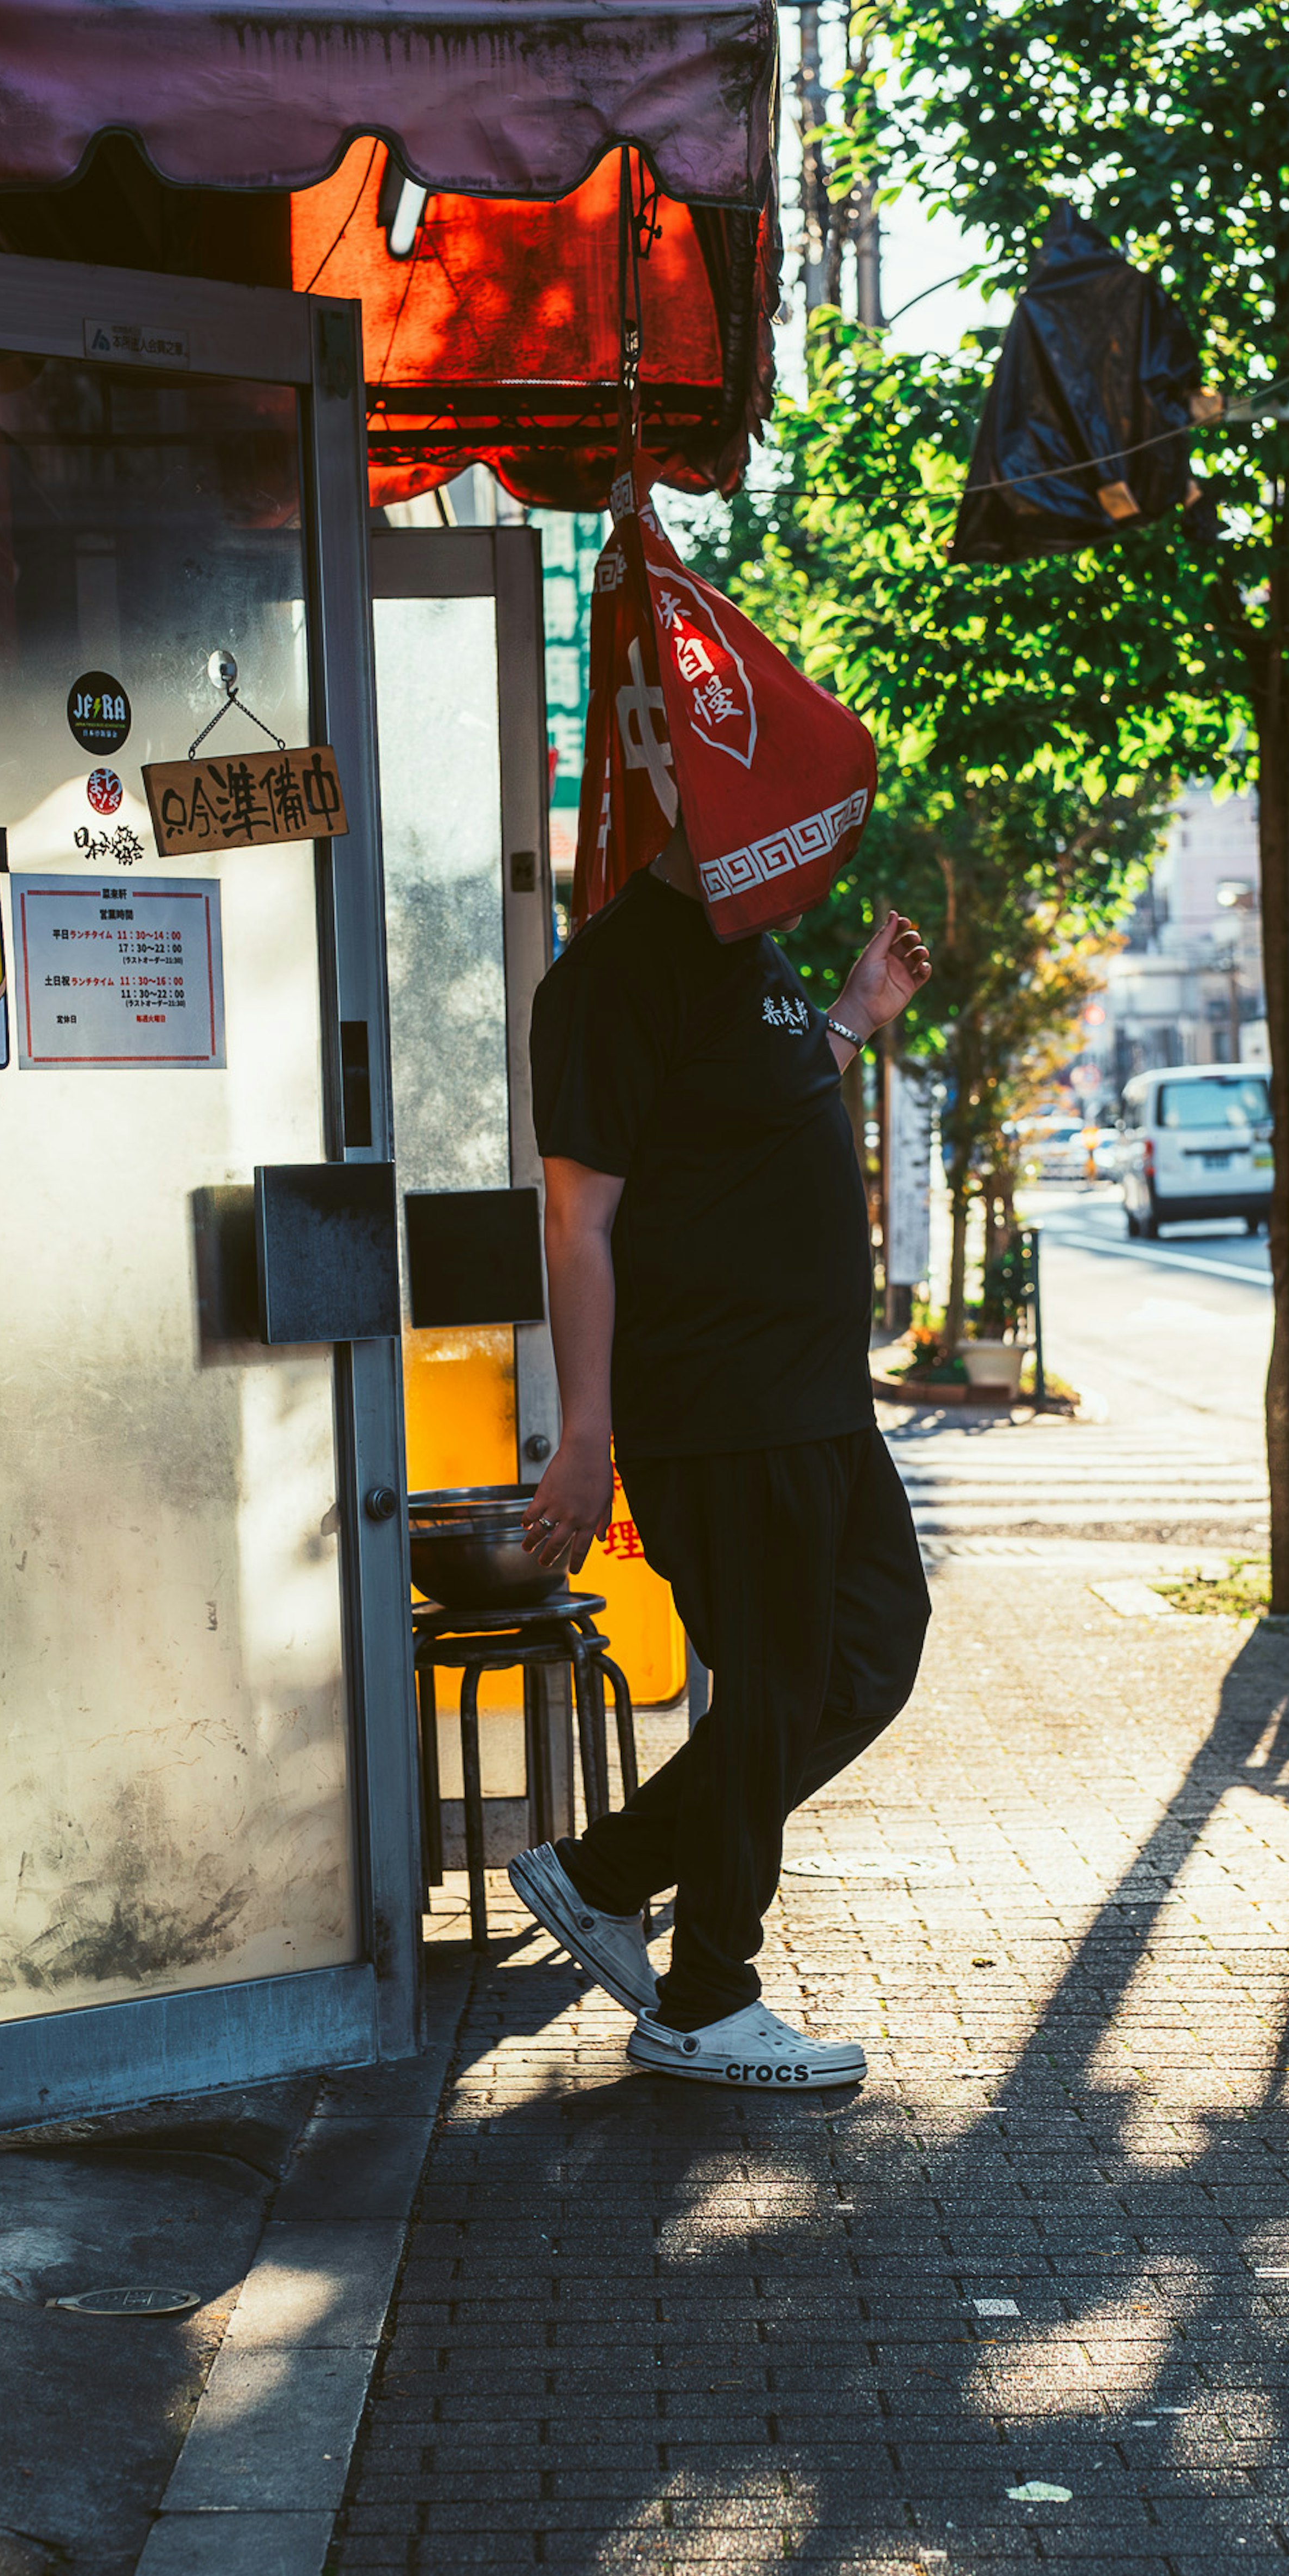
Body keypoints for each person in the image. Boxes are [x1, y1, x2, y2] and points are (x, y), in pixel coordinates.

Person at [507, 821, 932, 2091]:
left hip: (813, 1398)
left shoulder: (751, 942)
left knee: (871, 1650)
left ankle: (605, 1872)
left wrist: (852, 1015)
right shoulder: (607, 976)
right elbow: (578, 1221)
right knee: (780, 1685)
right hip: (722, 1400)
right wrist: (587, 1431)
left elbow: (757, 1121)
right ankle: (704, 1994)